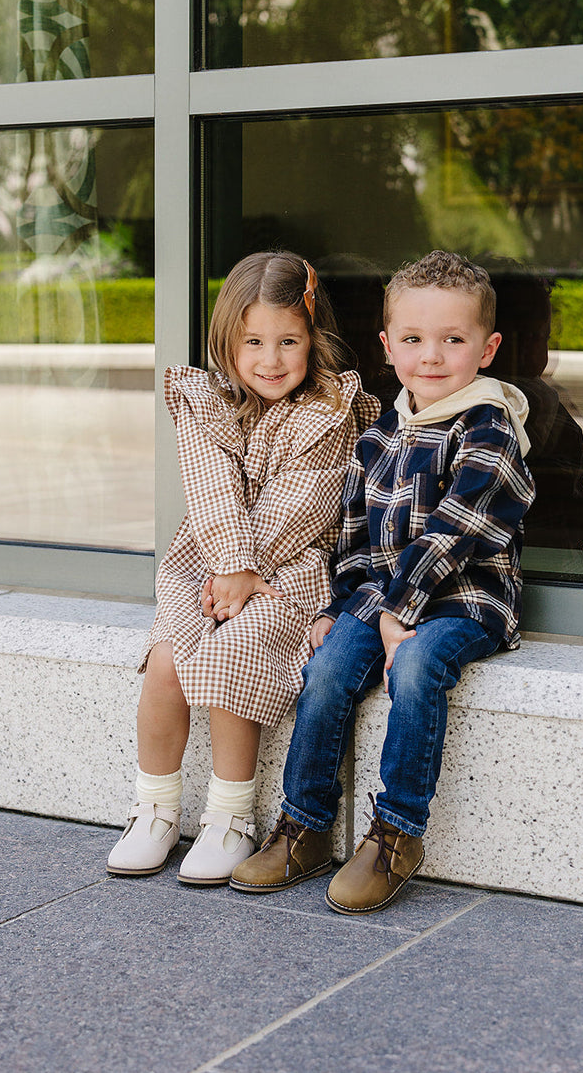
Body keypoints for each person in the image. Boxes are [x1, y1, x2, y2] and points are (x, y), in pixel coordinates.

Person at [230, 249, 535, 914]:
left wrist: (401, 613)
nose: (432, 355)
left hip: (464, 599)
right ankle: (304, 825)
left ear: (487, 348)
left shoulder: (490, 426)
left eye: (453, 340)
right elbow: (356, 535)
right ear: (387, 345)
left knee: (419, 666)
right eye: (414, 339)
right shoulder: (385, 431)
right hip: (383, 598)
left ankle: (397, 834)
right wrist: (339, 609)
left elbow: (458, 527)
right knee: (330, 666)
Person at [107, 251, 379, 885]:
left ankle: (230, 817)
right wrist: (228, 564)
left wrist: (248, 569)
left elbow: (303, 500)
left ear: (315, 339)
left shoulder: (330, 410)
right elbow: (210, 489)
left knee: (238, 647)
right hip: (207, 559)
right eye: (252, 341)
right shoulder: (205, 401)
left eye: (289, 341)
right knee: (168, 658)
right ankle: (154, 808)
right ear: (227, 341)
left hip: (291, 567)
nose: (270, 359)